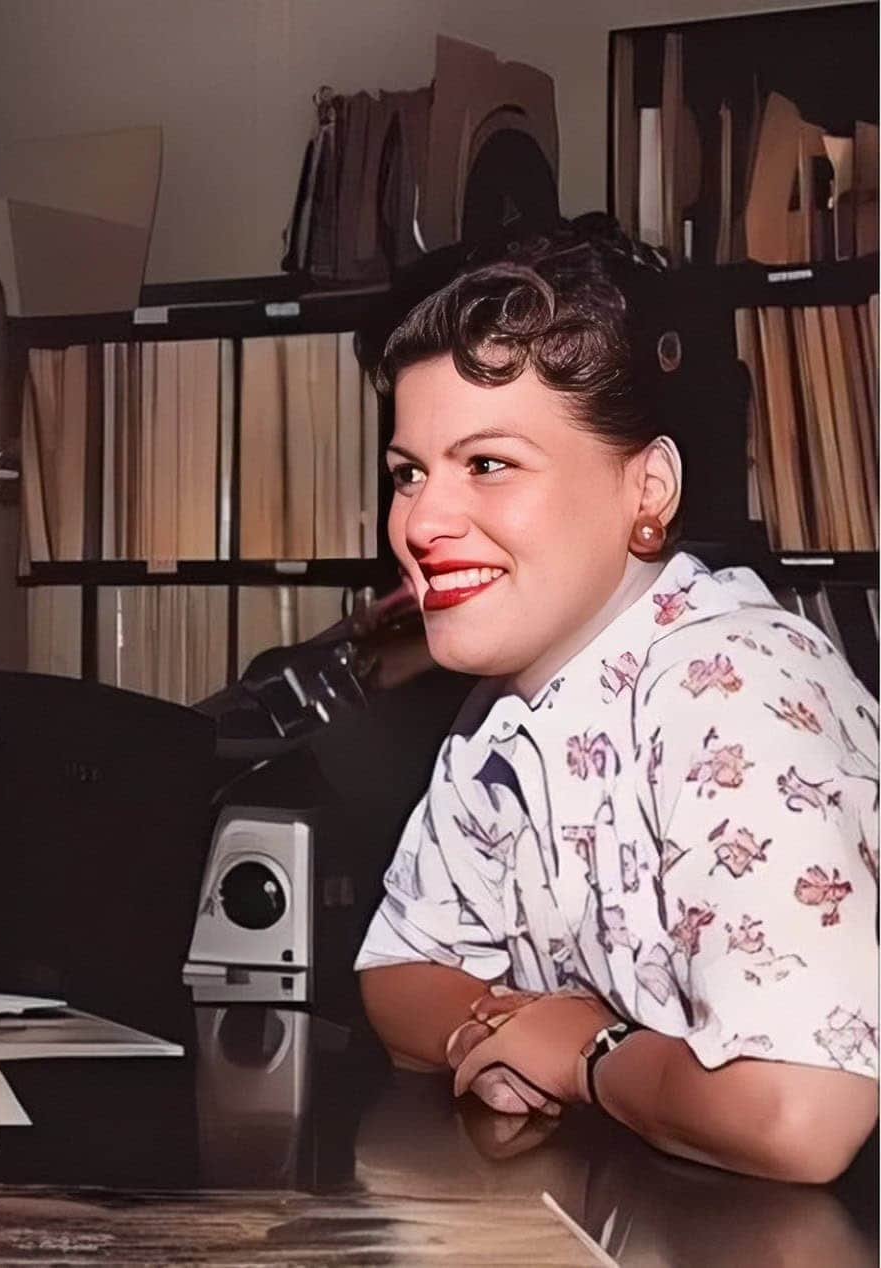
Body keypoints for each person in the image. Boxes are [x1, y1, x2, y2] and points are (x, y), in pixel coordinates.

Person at [355, 216, 879, 1184]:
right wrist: (513, 1028)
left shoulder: (732, 690)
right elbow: (394, 975)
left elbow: (800, 1115)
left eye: (487, 463)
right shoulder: (499, 716)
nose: (419, 522)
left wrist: (582, 1053)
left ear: (647, 487)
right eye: (406, 474)